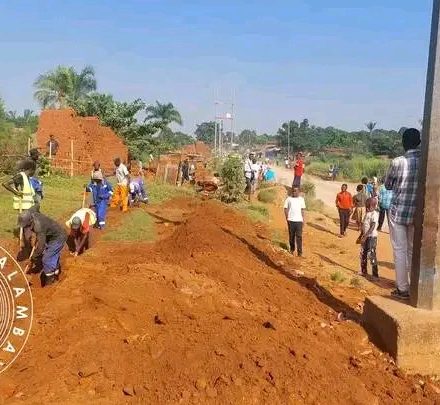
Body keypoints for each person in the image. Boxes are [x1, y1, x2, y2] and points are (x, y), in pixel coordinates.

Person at [384, 128, 421, 300]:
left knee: (399, 250)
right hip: (417, 213)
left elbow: (388, 185)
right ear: (419, 142)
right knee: (413, 250)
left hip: (398, 211)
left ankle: (402, 289)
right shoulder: (425, 161)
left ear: (404, 143)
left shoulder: (397, 162)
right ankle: (415, 288)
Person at [18, 208, 67, 287]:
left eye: (26, 226)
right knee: (51, 255)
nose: (26, 227)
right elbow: (36, 206)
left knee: (46, 259)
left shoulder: (39, 226)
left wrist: (33, 258)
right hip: (50, 236)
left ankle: (51, 281)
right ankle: (56, 271)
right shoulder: (32, 214)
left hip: (58, 237)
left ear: (30, 222)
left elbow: (41, 247)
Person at [359, 197, 379, 279]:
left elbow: (372, 227)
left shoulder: (374, 214)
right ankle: (364, 271)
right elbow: (364, 226)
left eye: (368, 206)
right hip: (365, 237)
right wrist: (361, 235)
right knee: (363, 254)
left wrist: (365, 236)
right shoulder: (367, 213)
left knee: (371, 254)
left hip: (372, 237)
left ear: (374, 206)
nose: (367, 208)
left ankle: (375, 275)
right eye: (366, 206)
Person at [283, 186, 306, 257]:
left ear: (299, 192)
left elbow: (302, 210)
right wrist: (287, 217)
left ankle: (300, 252)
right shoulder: (288, 199)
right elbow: (285, 208)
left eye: (296, 191)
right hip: (291, 220)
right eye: (293, 191)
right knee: (291, 236)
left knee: (299, 236)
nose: (294, 192)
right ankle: (292, 249)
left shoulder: (301, 199)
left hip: (299, 221)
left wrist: (303, 220)